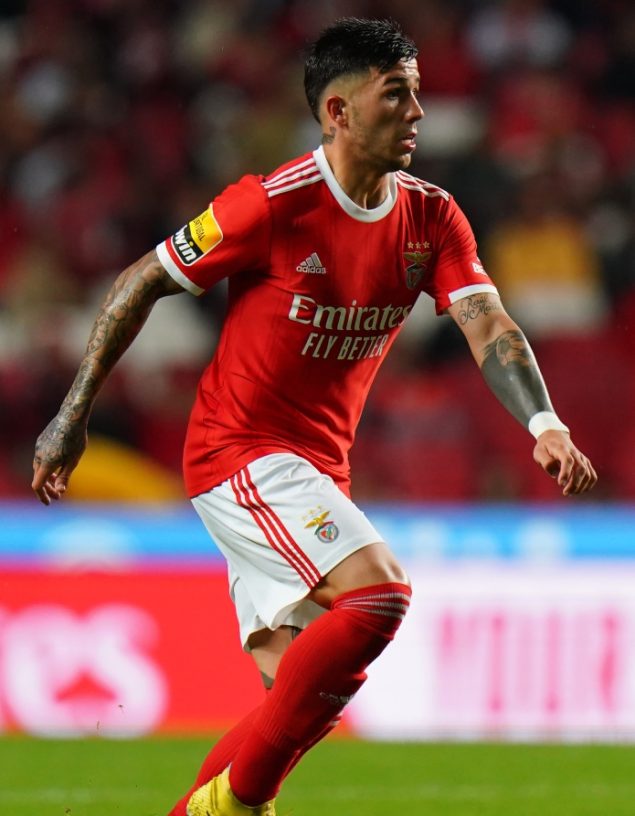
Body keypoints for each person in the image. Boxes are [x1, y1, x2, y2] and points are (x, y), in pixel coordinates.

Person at [32, 17, 597, 816]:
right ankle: (235, 802)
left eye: (416, 94)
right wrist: (72, 414)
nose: (416, 112)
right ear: (337, 111)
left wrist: (544, 423)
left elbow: (488, 325)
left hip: (317, 469)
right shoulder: (270, 205)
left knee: (301, 698)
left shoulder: (432, 217)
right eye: (394, 94)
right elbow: (141, 281)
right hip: (238, 451)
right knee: (379, 596)